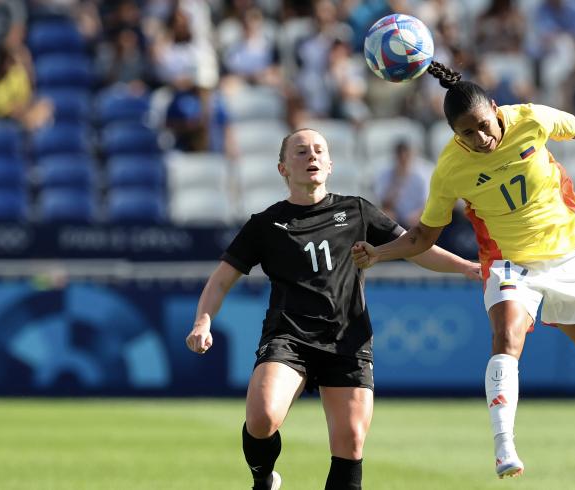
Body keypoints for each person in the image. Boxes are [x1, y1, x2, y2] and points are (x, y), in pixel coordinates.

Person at [352, 61, 575, 489]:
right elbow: (422, 235)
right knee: (507, 337)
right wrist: (379, 254)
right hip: (509, 262)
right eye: (467, 133)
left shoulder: (531, 119)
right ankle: (504, 444)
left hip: (565, 260)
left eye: (484, 126)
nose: (480, 138)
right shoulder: (450, 169)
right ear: (454, 134)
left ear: (496, 110)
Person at [185, 128, 479, 490]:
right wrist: (203, 321)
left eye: (318, 150)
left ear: (329, 164)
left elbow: (414, 246)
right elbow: (220, 279)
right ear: (282, 169)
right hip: (288, 336)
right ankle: (263, 478)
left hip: (347, 341)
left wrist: (467, 267)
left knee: (351, 442)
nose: (311, 156)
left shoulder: (355, 210)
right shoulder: (265, 224)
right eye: (301, 151)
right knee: (261, 419)